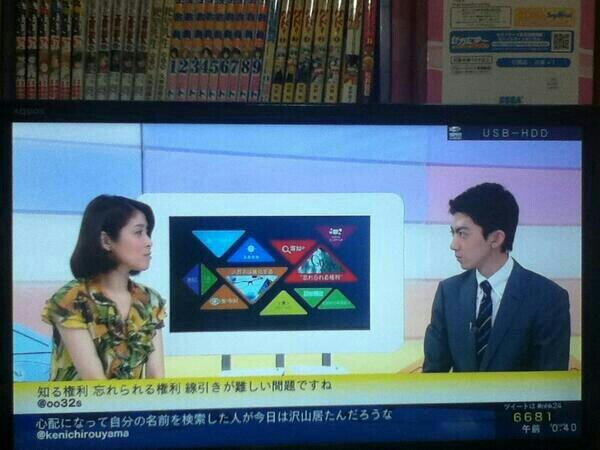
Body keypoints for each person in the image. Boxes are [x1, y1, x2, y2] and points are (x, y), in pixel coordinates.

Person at [423, 183, 570, 372]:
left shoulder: (548, 298)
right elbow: (432, 376)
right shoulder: (448, 293)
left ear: (496, 238)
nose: (453, 245)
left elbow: (550, 383)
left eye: (462, 234)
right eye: (453, 233)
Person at [42, 195, 166, 380]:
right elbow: (94, 383)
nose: (149, 241)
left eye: (147, 232)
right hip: (87, 399)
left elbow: (156, 377)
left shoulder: (150, 300)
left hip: (134, 400)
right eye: (138, 232)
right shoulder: (72, 299)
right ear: (106, 241)